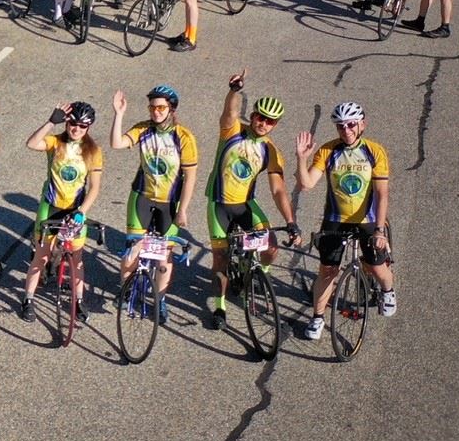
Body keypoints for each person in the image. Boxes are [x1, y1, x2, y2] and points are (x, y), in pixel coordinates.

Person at [205, 70, 302, 331]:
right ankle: (220, 306)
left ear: (275, 125)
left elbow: (278, 190)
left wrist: (290, 221)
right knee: (220, 257)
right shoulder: (232, 131)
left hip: (246, 204)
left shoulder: (271, 151)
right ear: (253, 115)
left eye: (270, 121)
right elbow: (230, 112)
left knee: (271, 248)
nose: (263, 123)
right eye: (260, 117)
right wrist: (234, 91)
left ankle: (258, 276)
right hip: (219, 204)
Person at [295, 102, 396, 341]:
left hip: (367, 219)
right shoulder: (328, 151)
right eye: (341, 126)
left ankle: (388, 291)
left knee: (376, 267)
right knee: (327, 271)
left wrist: (379, 230)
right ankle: (317, 318)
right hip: (335, 219)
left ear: (362, 124)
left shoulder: (375, 151)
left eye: (351, 124)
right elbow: (307, 184)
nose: (346, 130)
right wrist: (301, 158)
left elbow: (382, 194)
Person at [109, 86, 197, 323]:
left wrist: (183, 209)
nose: (155, 112)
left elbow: (190, 178)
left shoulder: (184, 137)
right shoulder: (143, 129)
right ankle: (126, 290)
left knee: (163, 259)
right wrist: (119, 114)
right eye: (152, 107)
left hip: (169, 203)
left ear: (171, 109)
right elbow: (116, 143)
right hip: (142, 198)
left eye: (160, 107)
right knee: (131, 252)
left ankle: (160, 300)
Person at [19, 101, 103, 322]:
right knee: (42, 256)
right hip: (51, 207)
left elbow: (94, 188)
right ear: (66, 123)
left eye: (82, 126)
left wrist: (82, 211)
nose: (76, 129)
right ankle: (28, 299)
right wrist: (50, 122)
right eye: (73, 123)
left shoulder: (93, 151)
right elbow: (31, 143)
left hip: (75, 210)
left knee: (76, 259)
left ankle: (78, 300)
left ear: (88, 127)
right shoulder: (55, 142)